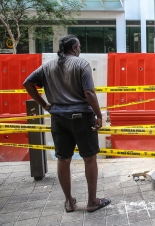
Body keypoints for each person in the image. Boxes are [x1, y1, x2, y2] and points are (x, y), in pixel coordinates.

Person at [23, 35, 111, 213]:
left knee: (63, 159)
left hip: (58, 118)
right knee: (89, 158)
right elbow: (89, 93)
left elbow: (28, 83)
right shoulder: (81, 64)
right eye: (78, 47)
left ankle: (69, 202)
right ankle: (92, 201)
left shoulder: (47, 65)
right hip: (81, 117)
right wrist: (99, 115)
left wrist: (45, 105)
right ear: (73, 48)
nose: (80, 50)